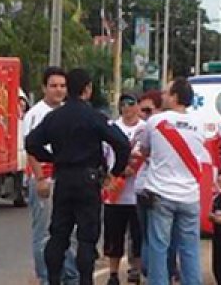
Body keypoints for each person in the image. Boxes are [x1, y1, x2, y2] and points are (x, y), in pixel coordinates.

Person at [25, 68, 131, 285]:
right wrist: (115, 172)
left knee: (58, 234)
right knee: (86, 237)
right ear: (88, 89)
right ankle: (84, 280)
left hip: (63, 179)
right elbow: (122, 144)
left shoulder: (54, 117)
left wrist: (53, 158)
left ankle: (53, 279)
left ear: (68, 89)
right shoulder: (95, 117)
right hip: (88, 180)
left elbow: (31, 143)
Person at [137, 77, 208, 285]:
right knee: (190, 249)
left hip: (161, 193)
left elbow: (144, 149)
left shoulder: (156, 121)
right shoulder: (199, 124)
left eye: (166, 93)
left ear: (175, 97)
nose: (163, 96)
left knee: (159, 247)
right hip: (189, 195)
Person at [22, 67, 79, 285]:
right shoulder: (35, 114)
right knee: (44, 234)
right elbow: (31, 148)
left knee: (68, 232)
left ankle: (67, 275)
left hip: (65, 178)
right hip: (44, 178)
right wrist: (40, 179)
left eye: (63, 86)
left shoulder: (67, 111)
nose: (59, 90)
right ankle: (46, 278)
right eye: (54, 86)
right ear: (44, 88)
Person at [102, 94, 146, 285]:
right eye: (123, 105)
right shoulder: (112, 128)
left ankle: (135, 269)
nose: (127, 108)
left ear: (138, 106)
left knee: (138, 235)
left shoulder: (145, 129)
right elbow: (103, 156)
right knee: (114, 236)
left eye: (131, 103)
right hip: (115, 191)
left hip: (138, 191)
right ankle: (113, 274)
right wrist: (110, 176)